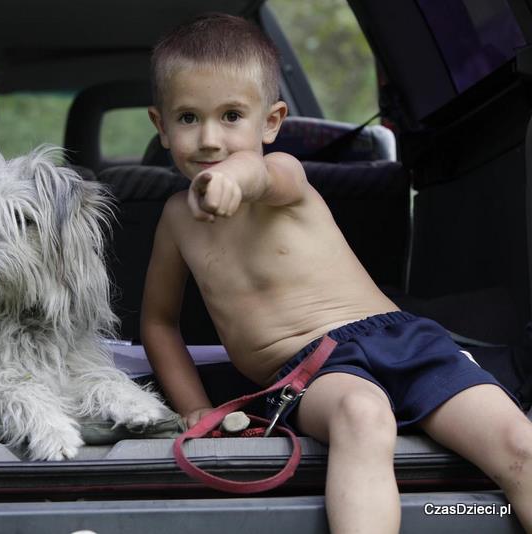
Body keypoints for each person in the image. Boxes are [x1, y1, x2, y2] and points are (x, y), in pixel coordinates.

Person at [141, 12, 532, 533]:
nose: (210, 139)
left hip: (404, 338)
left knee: (519, 445)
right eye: (188, 118)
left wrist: (234, 178)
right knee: (361, 417)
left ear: (272, 122)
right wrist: (194, 408)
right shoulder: (174, 221)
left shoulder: (285, 175)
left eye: (232, 115)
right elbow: (159, 323)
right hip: (313, 370)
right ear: (160, 126)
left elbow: (257, 174)